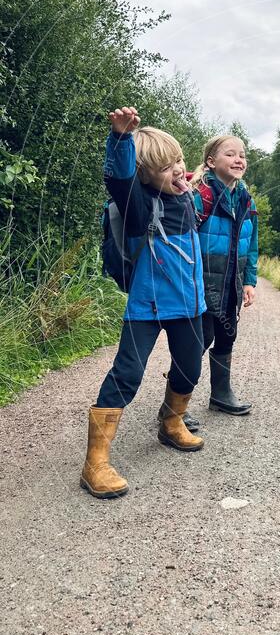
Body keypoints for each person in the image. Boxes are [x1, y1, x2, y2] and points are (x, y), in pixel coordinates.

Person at [80, 107, 206, 500]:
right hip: (147, 307)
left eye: (179, 162)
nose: (177, 172)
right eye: (165, 167)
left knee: (190, 367)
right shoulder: (137, 200)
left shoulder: (184, 196)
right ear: (146, 176)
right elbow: (117, 179)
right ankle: (95, 463)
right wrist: (119, 139)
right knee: (127, 374)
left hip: (189, 305)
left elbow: (195, 178)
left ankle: (171, 423)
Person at [183, 134, 258, 428]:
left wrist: (249, 281)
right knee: (197, 342)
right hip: (201, 284)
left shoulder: (245, 199)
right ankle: (175, 404)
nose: (238, 159)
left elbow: (252, 244)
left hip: (231, 285)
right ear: (211, 162)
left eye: (242, 154)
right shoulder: (200, 195)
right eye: (230, 154)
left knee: (227, 336)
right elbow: (183, 238)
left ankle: (221, 394)